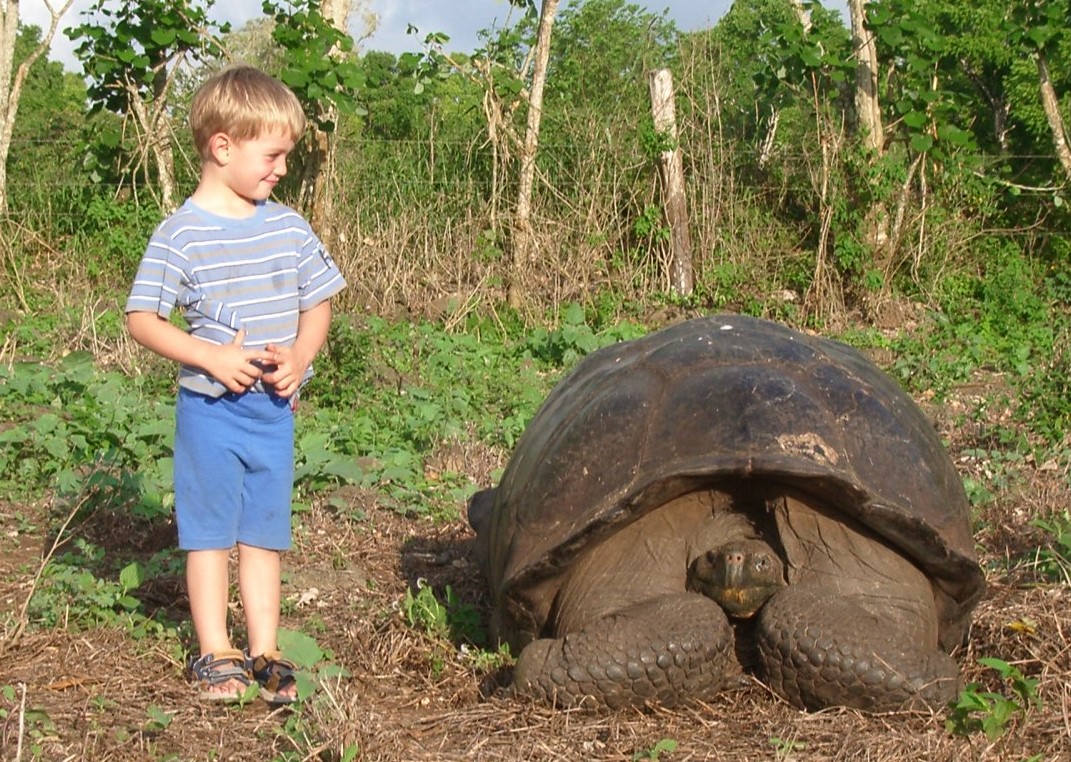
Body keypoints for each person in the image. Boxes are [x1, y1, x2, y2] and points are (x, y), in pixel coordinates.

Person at [125, 64, 347, 703]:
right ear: (223, 147)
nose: (281, 168)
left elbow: (318, 301)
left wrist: (302, 357)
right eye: (272, 155)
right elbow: (141, 318)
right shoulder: (181, 234)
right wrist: (209, 358)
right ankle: (215, 650)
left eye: (285, 156)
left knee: (264, 533)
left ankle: (265, 649)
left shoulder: (289, 227)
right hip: (210, 414)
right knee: (210, 533)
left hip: (273, 412)